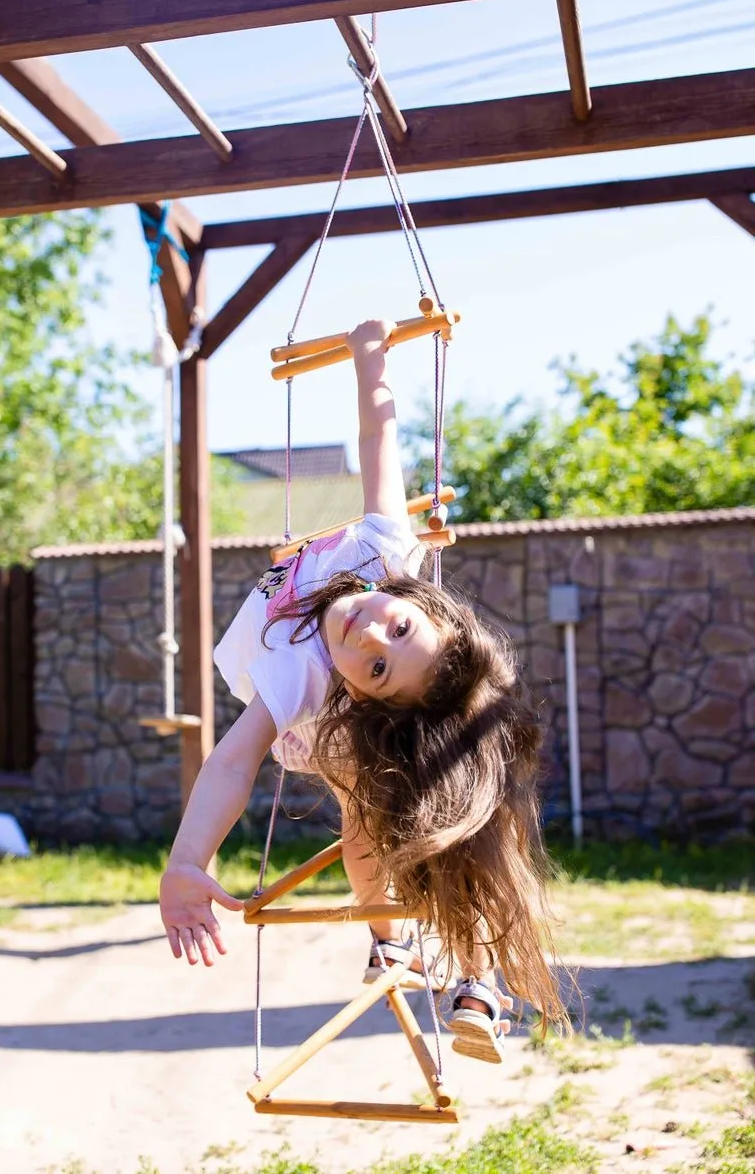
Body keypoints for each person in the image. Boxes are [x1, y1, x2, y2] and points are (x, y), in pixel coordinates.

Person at [159, 319, 567, 1064]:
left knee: (420, 827)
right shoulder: (386, 550)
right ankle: (394, 943)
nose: (368, 636)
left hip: (326, 730)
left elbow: (233, 761)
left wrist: (190, 857)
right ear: (418, 598)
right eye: (399, 627)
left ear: (368, 694)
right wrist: (369, 361)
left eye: (378, 665)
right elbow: (380, 440)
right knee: (370, 826)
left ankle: (471, 976)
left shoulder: (301, 668)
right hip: (346, 725)